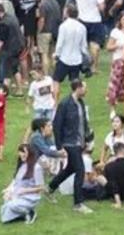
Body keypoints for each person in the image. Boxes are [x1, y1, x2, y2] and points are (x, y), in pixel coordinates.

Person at [47, 79, 93, 213]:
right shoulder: (65, 104)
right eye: (84, 87)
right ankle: (78, 203)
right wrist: (59, 146)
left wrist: (87, 140)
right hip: (69, 142)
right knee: (80, 170)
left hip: (79, 143)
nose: (86, 90)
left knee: (70, 169)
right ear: (78, 88)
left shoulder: (81, 103)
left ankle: (50, 188)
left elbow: (83, 123)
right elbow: (57, 124)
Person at [0, 145, 45, 224]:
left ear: (29, 153)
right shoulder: (22, 166)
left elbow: (41, 188)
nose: (21, 154)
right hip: (19, 194)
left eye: (24, 152)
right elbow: (15, 182)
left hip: (30, 197)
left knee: (11, 205)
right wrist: (9, 191)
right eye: (20, 152)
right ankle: (22, 215)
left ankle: (30, 212)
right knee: (4, 215)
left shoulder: (36, 168)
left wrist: (26, 190)